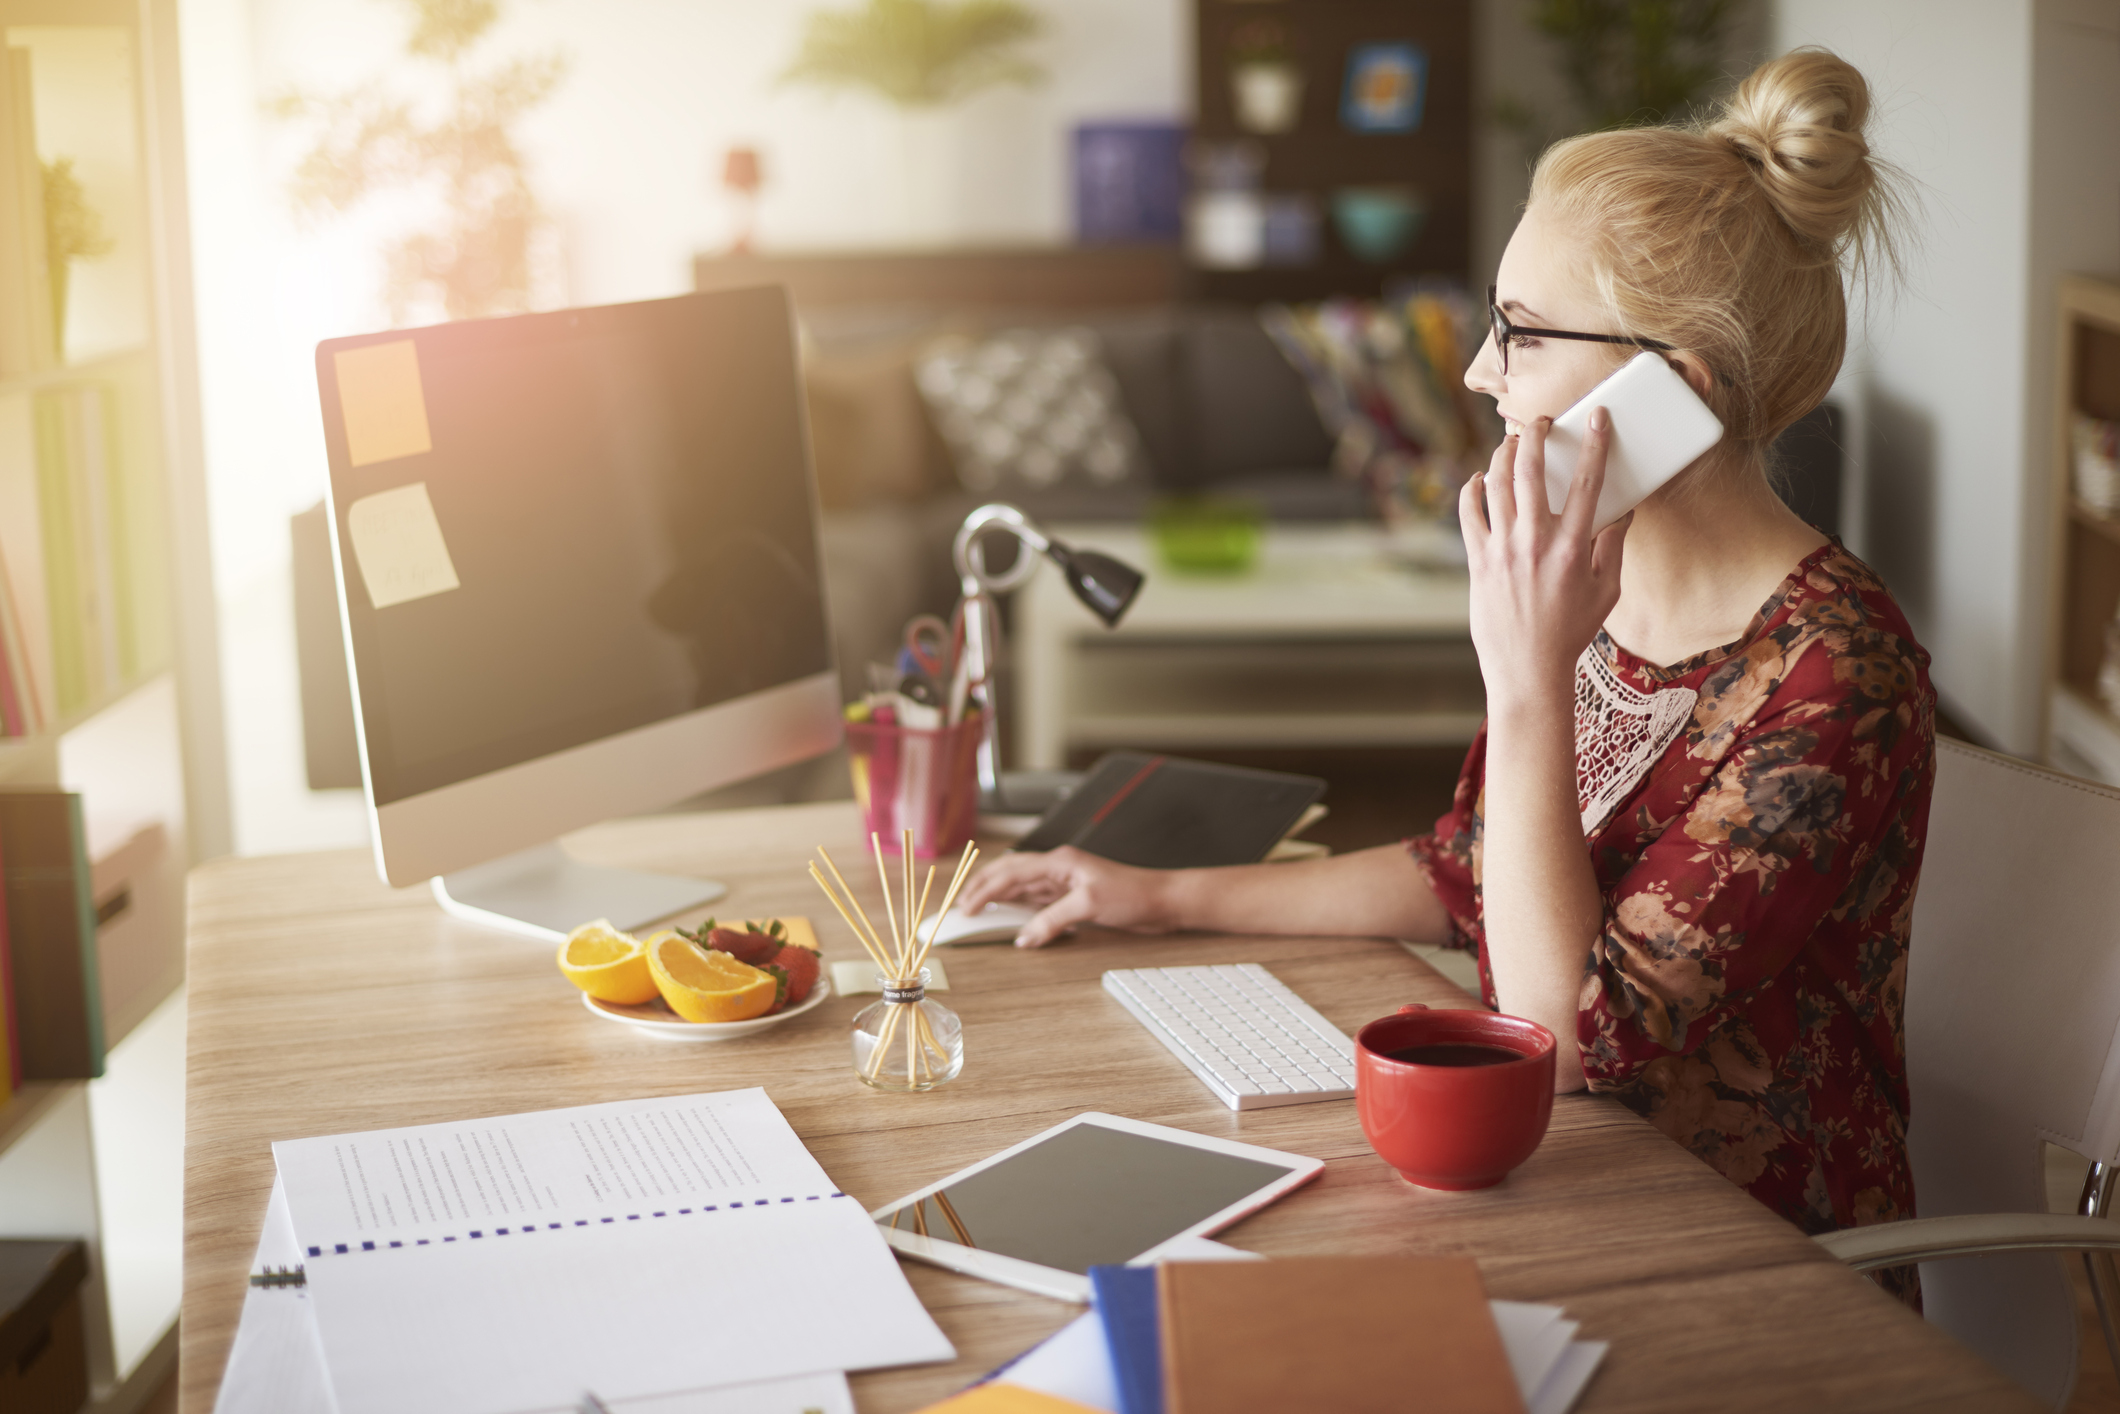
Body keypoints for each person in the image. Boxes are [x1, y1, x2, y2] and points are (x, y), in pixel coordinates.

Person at [958, 46, 1931, 1274]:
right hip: (1552, 1189)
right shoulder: (1594, 586)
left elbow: (1560, 1035)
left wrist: (1525, 681)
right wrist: (1153, 895)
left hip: (1743, 1261)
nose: (1478, 372)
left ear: (1668, 390)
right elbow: (1466, 869)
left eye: (1519, 334)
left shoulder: (1838, 669)